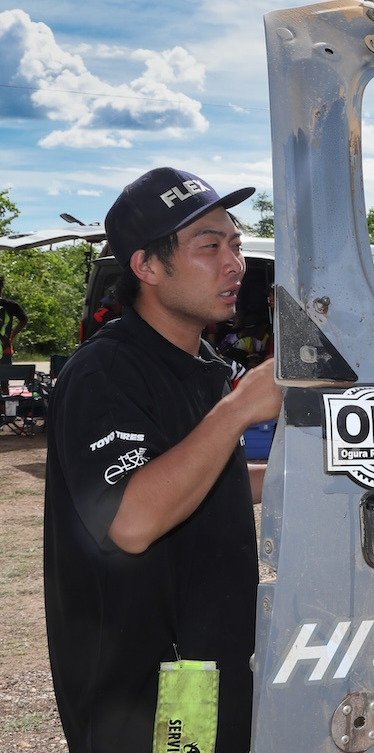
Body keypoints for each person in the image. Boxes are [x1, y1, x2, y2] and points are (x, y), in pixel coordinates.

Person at [43, 167, 283, 753]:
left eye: (236, 244)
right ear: (146, 268)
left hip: (208, 660)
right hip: (156, 694)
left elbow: (202, 478)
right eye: (209, 246)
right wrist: (237, 412)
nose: (235, 264)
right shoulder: (106, 373)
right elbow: (131, 520)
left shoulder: (201, 366)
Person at [0, 274, 28, 395]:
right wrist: (12, 335)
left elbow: (24, 319)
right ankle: (5, 409)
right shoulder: (9, 305)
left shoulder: (9, 305)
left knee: (4, 382)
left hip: (5, 348)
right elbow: (24, 319)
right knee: (4, 382)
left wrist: (11, 335)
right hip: (5, 347)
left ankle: (4, 408)